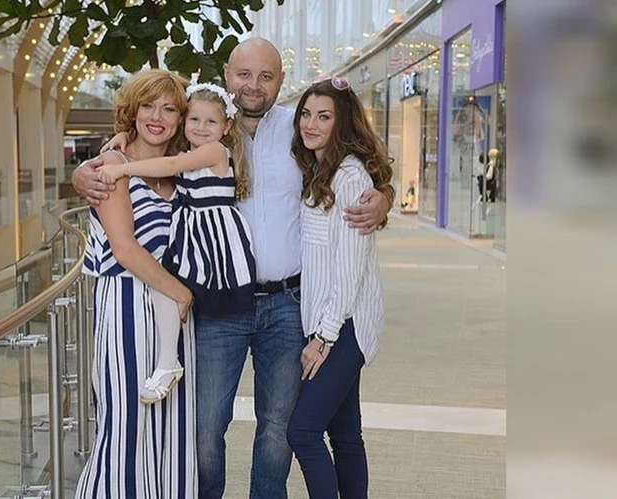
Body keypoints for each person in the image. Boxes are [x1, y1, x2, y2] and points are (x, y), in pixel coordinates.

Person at [73, 38, 394, 499]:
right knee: (205, 426)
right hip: (217, 302)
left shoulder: (299, 129)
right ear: (227, 75)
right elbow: (148, 139)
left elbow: (355, 163)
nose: (254, 85)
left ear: (280, 80)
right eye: (244, 74)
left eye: (266, 76)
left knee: (277, 429)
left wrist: (383, 196)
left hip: (288, 303)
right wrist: (90, 167)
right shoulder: (200, 127)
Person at [73, 68, 197, 498]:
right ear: (133, 111)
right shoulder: (113, 165)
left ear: (181, 118)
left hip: (174, 320)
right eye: (148, 106)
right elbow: (124, 249)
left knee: (172, 427)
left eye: (169, 109)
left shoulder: (181, 169)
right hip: (127, 309)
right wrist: (180, 292)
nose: (157, 117)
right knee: (125, 424)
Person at [96, 81, 256, 403]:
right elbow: (163, 156)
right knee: (165, 279)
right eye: (194, 120)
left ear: (226, 126)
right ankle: (168, 359)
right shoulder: (187, 152)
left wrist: (123, 169)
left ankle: (168, 360)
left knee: (167, 279)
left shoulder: (211, 151)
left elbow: (169, 166)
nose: (201, 127)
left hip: (210, 243)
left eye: (211, 121)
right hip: (191, 243)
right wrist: (123, 140)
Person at [286, 78, 392, 499]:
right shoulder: (320, 171)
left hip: (342, 326)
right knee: (345, 434)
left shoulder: (349, 177)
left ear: (341, 123)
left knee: (303, 431)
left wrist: (323, 338)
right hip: (329, 322)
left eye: (323, 116)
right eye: (306, 114)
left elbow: (350, 270)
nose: (310, 124)